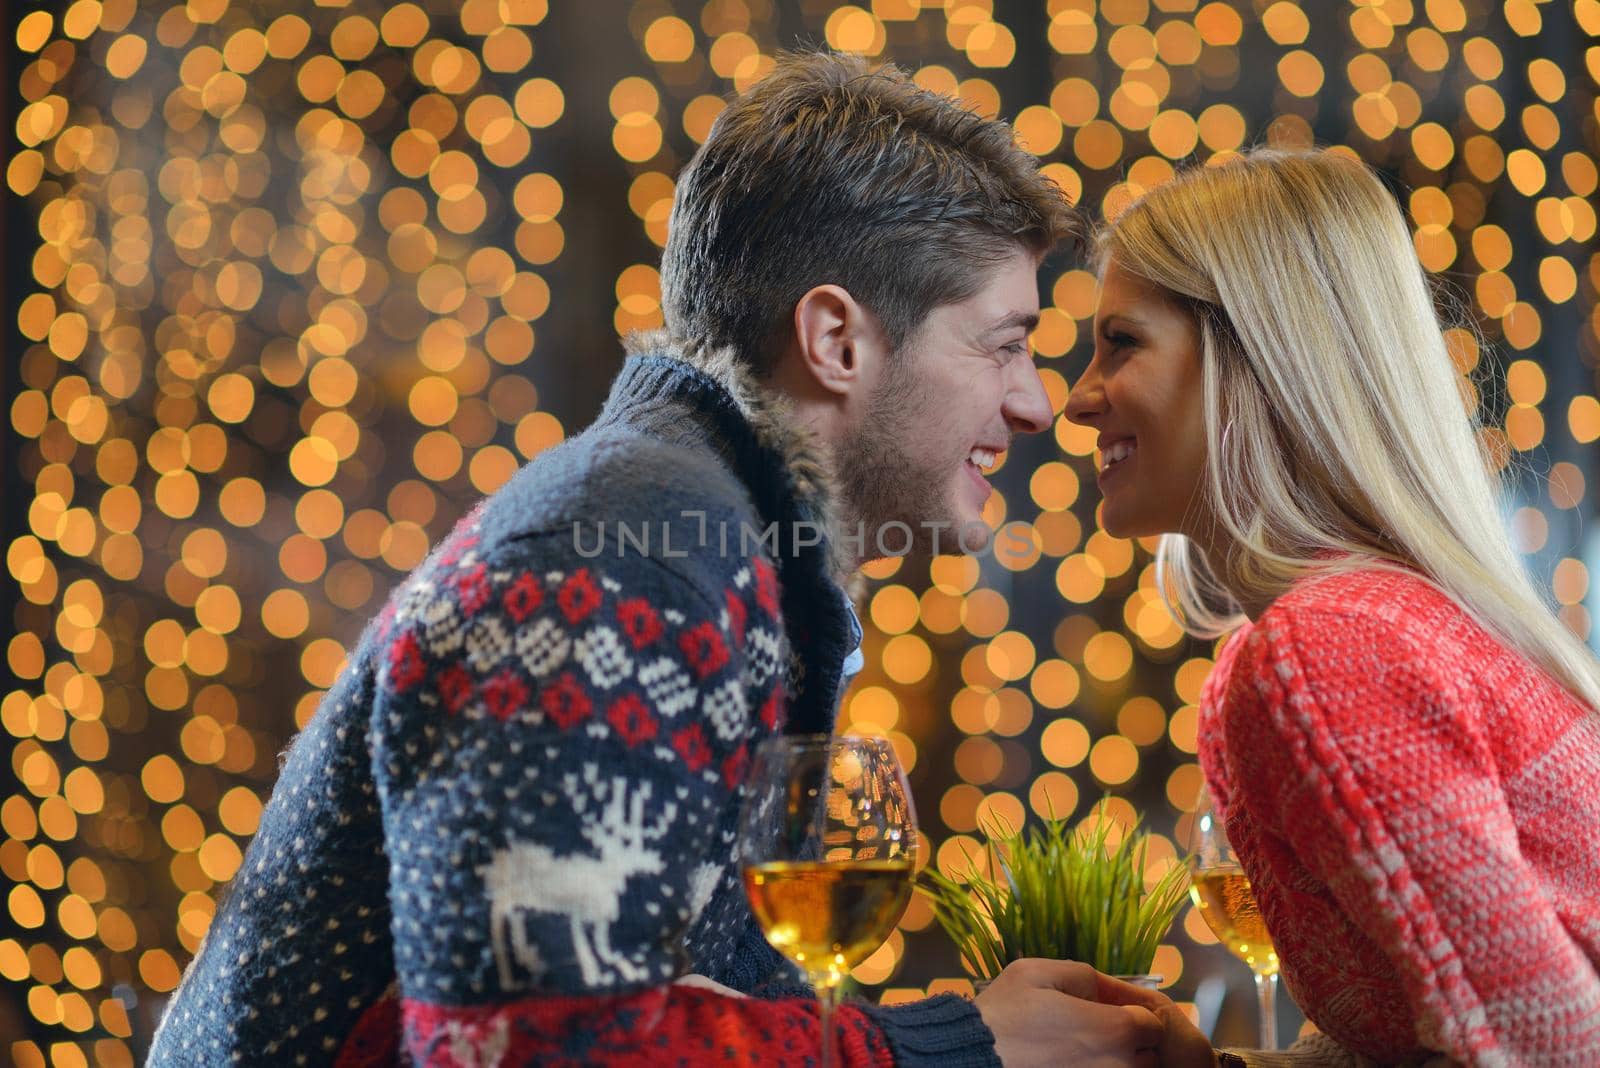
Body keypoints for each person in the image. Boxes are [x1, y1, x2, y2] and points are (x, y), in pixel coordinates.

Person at [149, 50, 1174, 1066]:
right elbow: (530, 1049)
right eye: (1002, 345)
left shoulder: (719, 545)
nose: (1038, 403)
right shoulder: (618, 562)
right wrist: (946, 1048)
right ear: (836, 342)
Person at [1065, 148, 1600, 1065]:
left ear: (1254, 358)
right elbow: (1426, 1035)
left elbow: (1546, 1045)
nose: (1077, 399)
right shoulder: (1365, 622)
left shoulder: (1330, 647)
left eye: (1121, 343)